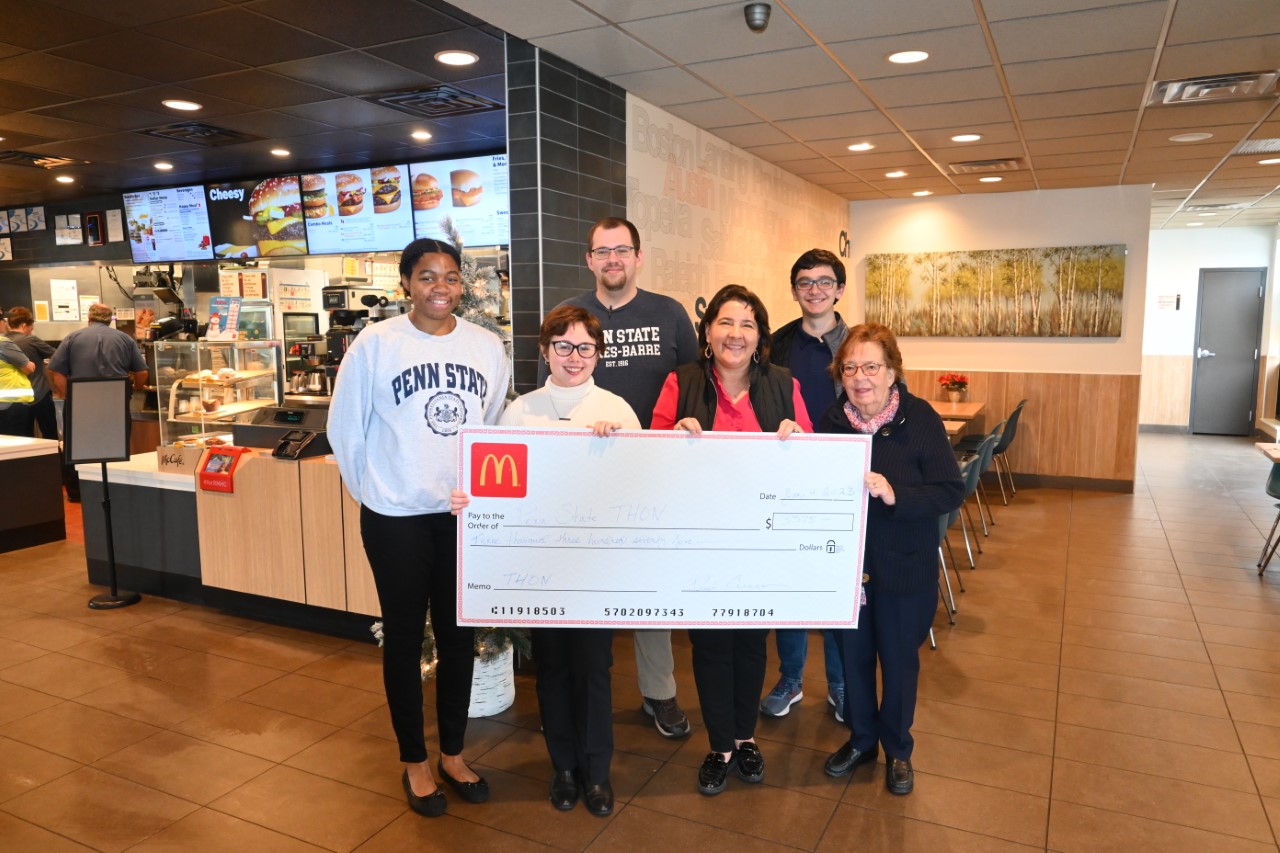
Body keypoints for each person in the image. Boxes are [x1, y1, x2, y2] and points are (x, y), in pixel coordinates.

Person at [327, 238, 510, 819]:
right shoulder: (376, 344)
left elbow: (495, 426)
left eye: (451, 278)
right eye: (428, 277)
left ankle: (453, 753)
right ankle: (415, 761)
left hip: (460, 516)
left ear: (462, 285)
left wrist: (478, 497)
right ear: (406, 282)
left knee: (459, 640)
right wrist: (378, 494)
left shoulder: (487, 346)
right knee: (405, 641)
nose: (441, 288)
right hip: (396, 519)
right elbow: (345, 429)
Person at [452, 304, 638, 817]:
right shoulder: (520, 411)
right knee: (552, 670)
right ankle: (563, 767)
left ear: (598, 353)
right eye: (563, 346)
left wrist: (617, 449)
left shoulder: (618, 411)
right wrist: (472, 501)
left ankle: (597, 773)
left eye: (584, 347)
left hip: (596, 571)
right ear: (545, 351)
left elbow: (640, 489)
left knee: (595, 670)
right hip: (539, 571)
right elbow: (498, 489)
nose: (573, 358)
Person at [650, 284, 811, 795]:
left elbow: (813, 461)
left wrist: (799, 442)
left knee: (750, 645)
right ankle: (720, 745)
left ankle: (745, 738)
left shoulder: (785, 384)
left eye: (747, 324)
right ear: (707, 331)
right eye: (725, 322)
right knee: (711, 645)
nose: (735, 334)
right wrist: (672, 440)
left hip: (762, 544)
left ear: (760, 335)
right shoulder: (681, 381)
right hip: (701, 543)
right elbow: (648, 453)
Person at [551, 217, 699, 740]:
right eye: (602, 251)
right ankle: (577, 696)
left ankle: (659, 693)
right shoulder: (570, 314)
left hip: (649, 472)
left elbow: (692, 383)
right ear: (589, 259)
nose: (613, 259)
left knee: (648, 587)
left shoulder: (669, 313)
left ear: (638, 257)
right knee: (580, 583)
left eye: (622, 250)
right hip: (581, 476)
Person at [816, 323, 963, 796]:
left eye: (871, 366)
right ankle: (862, 740)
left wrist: (895, 493)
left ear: (892, 370)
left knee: (899, 663)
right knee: (853, 660)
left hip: (906, 567)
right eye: (851, 367)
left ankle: (898, 750)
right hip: (849, 571)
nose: (861, 377)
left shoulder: (919, 419)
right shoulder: (832, 421)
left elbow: (948, 490)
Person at [761, 249, 850, 720]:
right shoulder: (775, 345)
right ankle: (791, 678)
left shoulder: (858, 346)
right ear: (794, 290)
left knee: (835, 588)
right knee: (790, 587)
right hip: (789, 480)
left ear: (839, 288)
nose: (814, 289)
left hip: (843, 480)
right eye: (804, 282)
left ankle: (840, 684)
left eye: (824, 281)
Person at [47, 303, 148, 501]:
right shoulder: (125, 339)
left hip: (81, 403)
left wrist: (69, 395)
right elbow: (142, 372)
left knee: (76, 446)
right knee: (115, 445)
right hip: (114, 402)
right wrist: (136, 387)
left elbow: (55, 370)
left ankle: (77, 493)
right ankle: (114, 489)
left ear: (89, 317)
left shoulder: (73, 338)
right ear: (110, 319)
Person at [6, 307, 57, 440]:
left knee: (24, 436)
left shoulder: (3, 341)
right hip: (39, 394)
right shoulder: (30, 340)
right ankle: (52, 460)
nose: (31, 330)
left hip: (15, 399)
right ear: (24, 325)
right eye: (31, 326)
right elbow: (57, 355)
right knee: (49, 433)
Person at [0, 326, 35, 436]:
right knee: (18, 446)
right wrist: (32, 364)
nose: (6, 323)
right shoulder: (3, 344)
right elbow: (29, 368)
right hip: (11, 403)